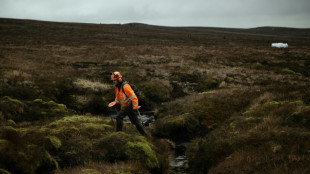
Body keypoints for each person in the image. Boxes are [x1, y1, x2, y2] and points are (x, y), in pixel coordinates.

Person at [108, 72, 147, 136]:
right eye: (113, 81)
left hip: (130, 106)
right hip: (126, 107)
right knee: (135, 122)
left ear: (119, 79)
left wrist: (134, 108)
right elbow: (118, 98)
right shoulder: (117, 88)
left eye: (115, 80)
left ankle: (118, 134)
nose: (113, 82)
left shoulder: (125, 87)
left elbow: (134, 98)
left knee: (119, 117)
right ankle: (145, 135)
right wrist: (115, 103)